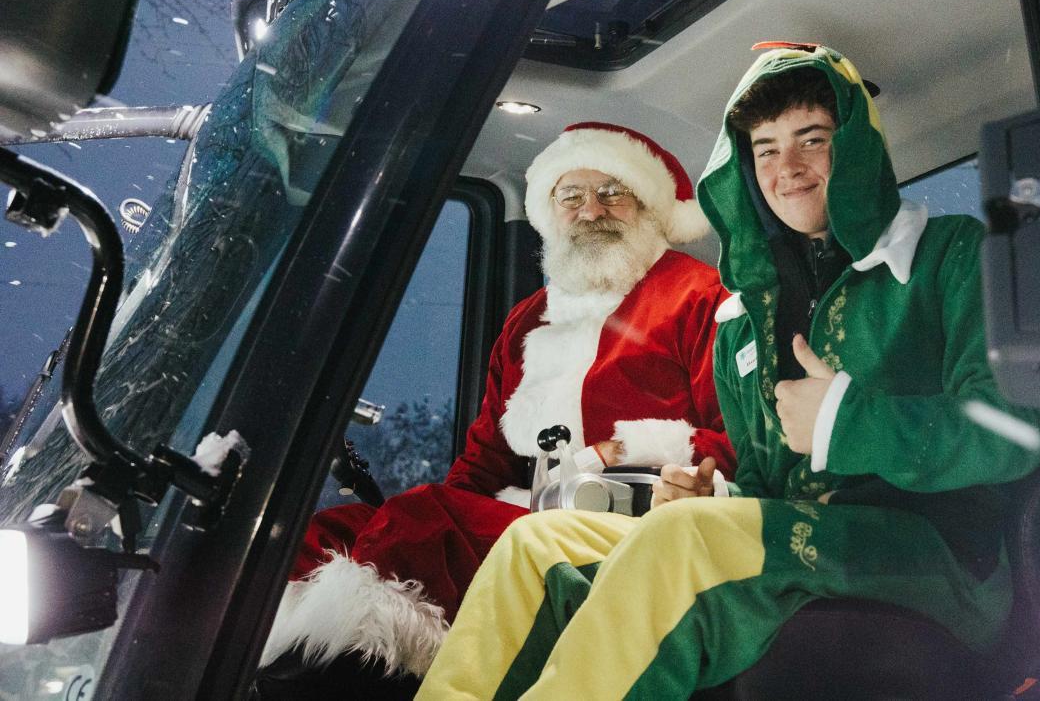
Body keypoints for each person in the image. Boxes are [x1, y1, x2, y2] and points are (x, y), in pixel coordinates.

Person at [416, 43, 1040, 700]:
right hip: (796, 544)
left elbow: (1020, 427)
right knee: (536, 543)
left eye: (813, 139)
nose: (790, 168)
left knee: (678, 541)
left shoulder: (952, 258)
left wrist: (845, 419)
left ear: (856, 146)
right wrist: (715, 499)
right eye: (766, 149)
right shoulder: (743, 322)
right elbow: (761, 484)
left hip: (937, 557)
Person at [256, 122, 735, 693]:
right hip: (533, 510)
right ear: (550, 211)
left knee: (421, 523)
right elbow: (486, 460)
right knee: (326, 533)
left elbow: (733, 436)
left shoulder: (701, 297)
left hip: (628, 520)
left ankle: (353, 678)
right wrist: (441, 506)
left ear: (650, 207)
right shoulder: (528, 318)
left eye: (612, 193)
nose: (590, 211)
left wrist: (623, 452)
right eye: (571, 196)